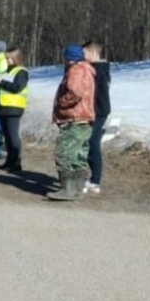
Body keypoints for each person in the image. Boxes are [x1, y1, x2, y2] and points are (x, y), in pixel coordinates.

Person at [47, 44, 96, 200]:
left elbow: (75, 92)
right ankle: (78, 188)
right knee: (79, 155)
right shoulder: (87, 70)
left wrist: (62, 102)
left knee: (64, 154)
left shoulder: (75, 70)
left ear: (69, 58)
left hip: (73, 118)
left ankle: (67, 189)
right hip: (85, 118)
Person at [82, 41, 111, 194]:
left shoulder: (97, 70)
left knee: (92, 142)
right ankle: (91, 178)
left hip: (99, 111)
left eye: (84, 53)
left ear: (92, 53)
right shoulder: (94, 69)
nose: (82, 57)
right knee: (88, 142)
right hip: (92, 110)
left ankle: (95, 180)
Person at [0, 47, 29, 172]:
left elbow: (16, 88)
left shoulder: (22, 72)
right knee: (7, 136)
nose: (6, 60)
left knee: (12, 135)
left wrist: (0, 81)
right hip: (4, 106)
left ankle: (16, 162)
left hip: (14, 108)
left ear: (15, 57)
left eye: (8, 58)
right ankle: (9, 161)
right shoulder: (8, 71)